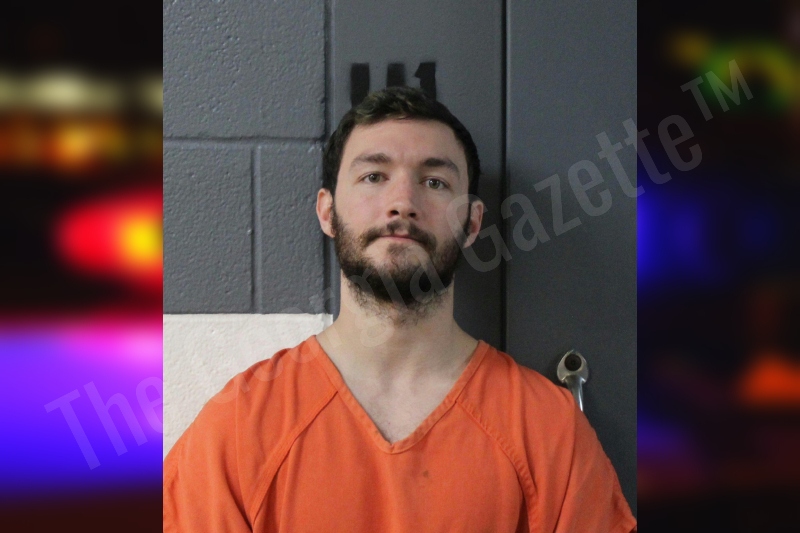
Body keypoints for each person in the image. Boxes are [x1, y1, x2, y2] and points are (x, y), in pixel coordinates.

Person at [163, 87, 636, 532]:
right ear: (327, 212)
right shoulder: (240, 428)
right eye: (374, 176)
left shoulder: (549, 430)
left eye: (434, 182)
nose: (403, 203)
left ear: (472, 223)